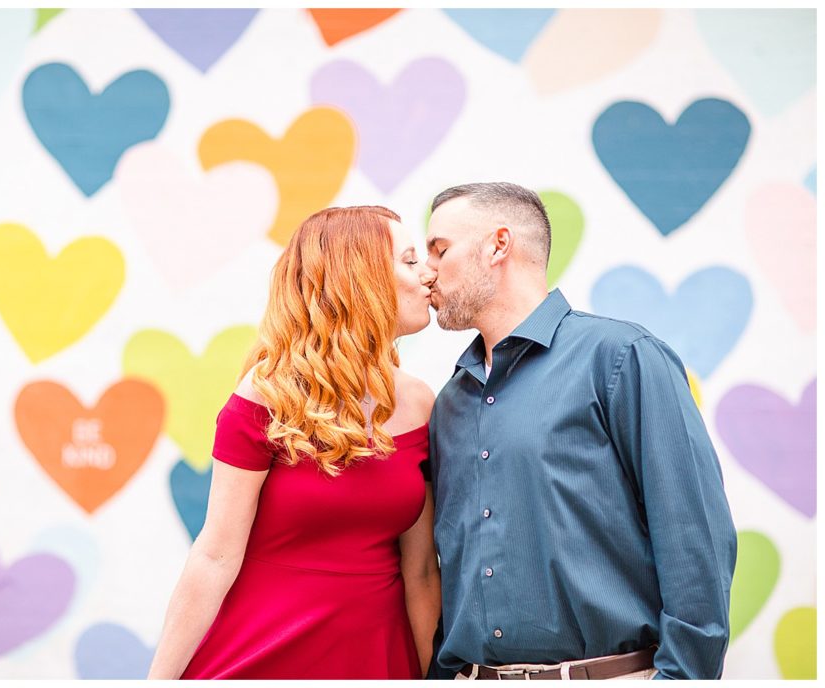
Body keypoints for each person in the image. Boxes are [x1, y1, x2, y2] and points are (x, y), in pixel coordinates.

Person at [423, 182, 737, 680]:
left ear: (498, 245)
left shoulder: (621, 358)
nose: (428, 270)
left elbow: (692, 534)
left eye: (440, 249)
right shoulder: (449, 403)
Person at [147, 205, 441, 679]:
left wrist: (434, 677)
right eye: (409, 261)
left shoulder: (421, 403)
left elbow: (422, 569)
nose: (428, 274)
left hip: (377, 661)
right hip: (263, 656)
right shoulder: (266, 395)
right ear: (359, 278)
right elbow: (215, 555)